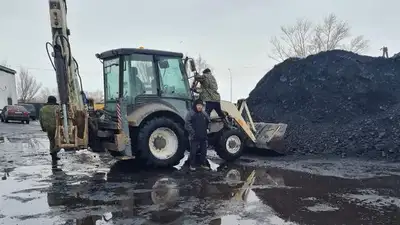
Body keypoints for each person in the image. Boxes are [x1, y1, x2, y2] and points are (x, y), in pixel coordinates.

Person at [184, 99, 211, 171]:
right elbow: (187, 124)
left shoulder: (204, 113)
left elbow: (209, 121)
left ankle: (203, 164)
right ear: (195, 105)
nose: (199, 107)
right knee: (193, 152)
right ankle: (191, 165)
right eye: (198, 105)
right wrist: (193, 132)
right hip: (194, 137)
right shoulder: (191, 113)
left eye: (201, 105)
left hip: (203, 136)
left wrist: (208, 128)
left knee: (204, 151)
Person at [39, 95, 61, 163]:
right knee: (59, 141)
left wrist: (43, 128)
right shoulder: (58, 108)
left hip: (48, 127)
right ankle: (54, 151)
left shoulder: (43, 109)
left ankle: (53, 155)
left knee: (52, 141)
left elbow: (41, 119)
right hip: (57, 127)